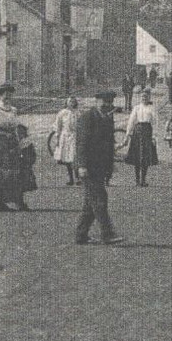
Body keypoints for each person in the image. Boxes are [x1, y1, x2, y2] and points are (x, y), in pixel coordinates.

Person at [74, 89, 123, 244]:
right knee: (100, 198)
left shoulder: (108, 118)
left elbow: (109, 144)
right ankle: (107, 234)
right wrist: (81, 166)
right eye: (104, 102)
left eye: (110, 102)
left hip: (100, 167)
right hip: (87, 166)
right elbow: (81, 143)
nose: (107, 105)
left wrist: (110, 165)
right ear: (96, 101)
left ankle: (81, 235)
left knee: (91, 202)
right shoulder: (87, 117)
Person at [0, 83, 26, 210]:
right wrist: (3, 134)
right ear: (0, 95)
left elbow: (16, 127)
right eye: (5, 94)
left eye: (10, 94)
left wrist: (20, 141)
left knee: (15, 171)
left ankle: (16, 201)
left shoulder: (13, 110)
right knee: (0, 172)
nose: (7, 96)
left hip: (12, 144)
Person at [123, 89, 159, 186]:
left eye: (146, 97)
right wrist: (127, 134)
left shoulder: (152, 108)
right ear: (140, 98)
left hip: (147, 131)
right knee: (137, 156)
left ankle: (143, 179)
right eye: (142, 97)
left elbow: (155, 123)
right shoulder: (136, 108)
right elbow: (131, 121)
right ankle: (137, 180)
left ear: (149, 98)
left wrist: (154, 137)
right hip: (137, 132)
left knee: (145, 157)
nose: (144, 98)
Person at [51, 96, 80, 185]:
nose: (71, 103)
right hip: (65, 137)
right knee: (67, 158)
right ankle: (70, 178)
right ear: (66, 102)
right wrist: (58, 138)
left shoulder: (77, 113)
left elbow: (80, 125)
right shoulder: (62, 113)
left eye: (73, 101)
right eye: (70, 101)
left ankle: (78, 178)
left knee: (75, 157)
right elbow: (58, 126)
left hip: (75, 136)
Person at [15, 125, 39, 210]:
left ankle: (20, 203)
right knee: (19, 186)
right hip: (21, 167)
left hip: (24, 167)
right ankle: (19, 203)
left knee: (20, 186)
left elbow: (32, 155)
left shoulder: (26, 143)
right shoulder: (19, 142)